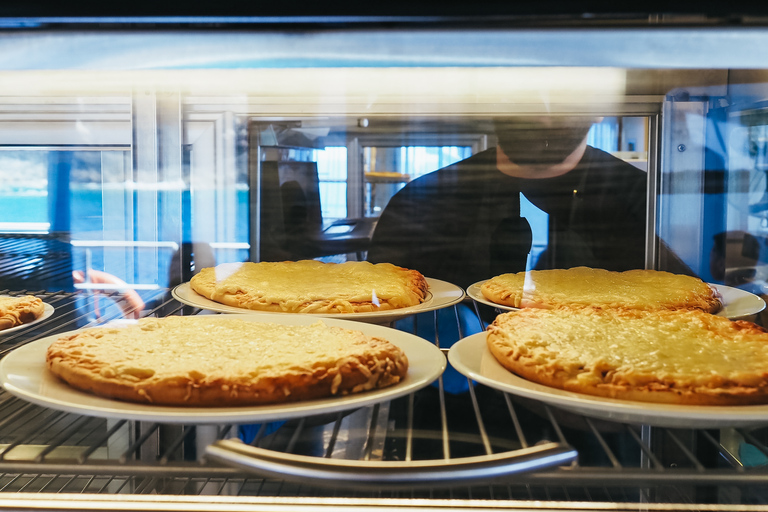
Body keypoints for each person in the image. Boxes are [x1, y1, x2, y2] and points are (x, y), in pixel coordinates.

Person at [367, 116, 663, 290]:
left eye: (562, 94)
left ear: (601, 109)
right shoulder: (421, 200)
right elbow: (380, 303)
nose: (544, 114)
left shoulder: (646, 200)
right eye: (528, 94)